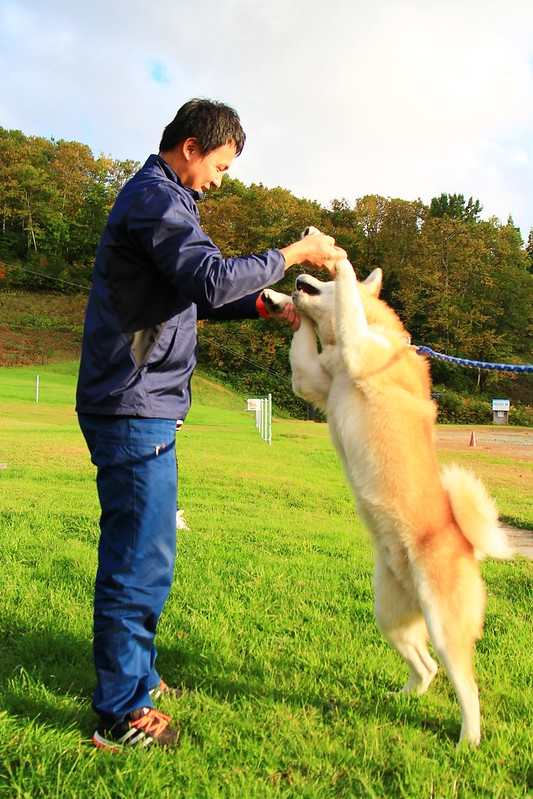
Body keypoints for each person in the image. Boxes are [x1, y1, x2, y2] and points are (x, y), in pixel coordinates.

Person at [76, 98, 342, 751]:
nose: (221, 179)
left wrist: (262, 305)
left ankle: (137, 677)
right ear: (191, 146)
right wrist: (293, 252)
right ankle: (121, 712)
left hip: (145, 404)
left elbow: (195, 292)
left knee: (149, 551)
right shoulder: (156, 200)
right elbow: (210, 277)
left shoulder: (167, 201)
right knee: (137, 560)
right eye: (221, 165)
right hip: (133, 404)